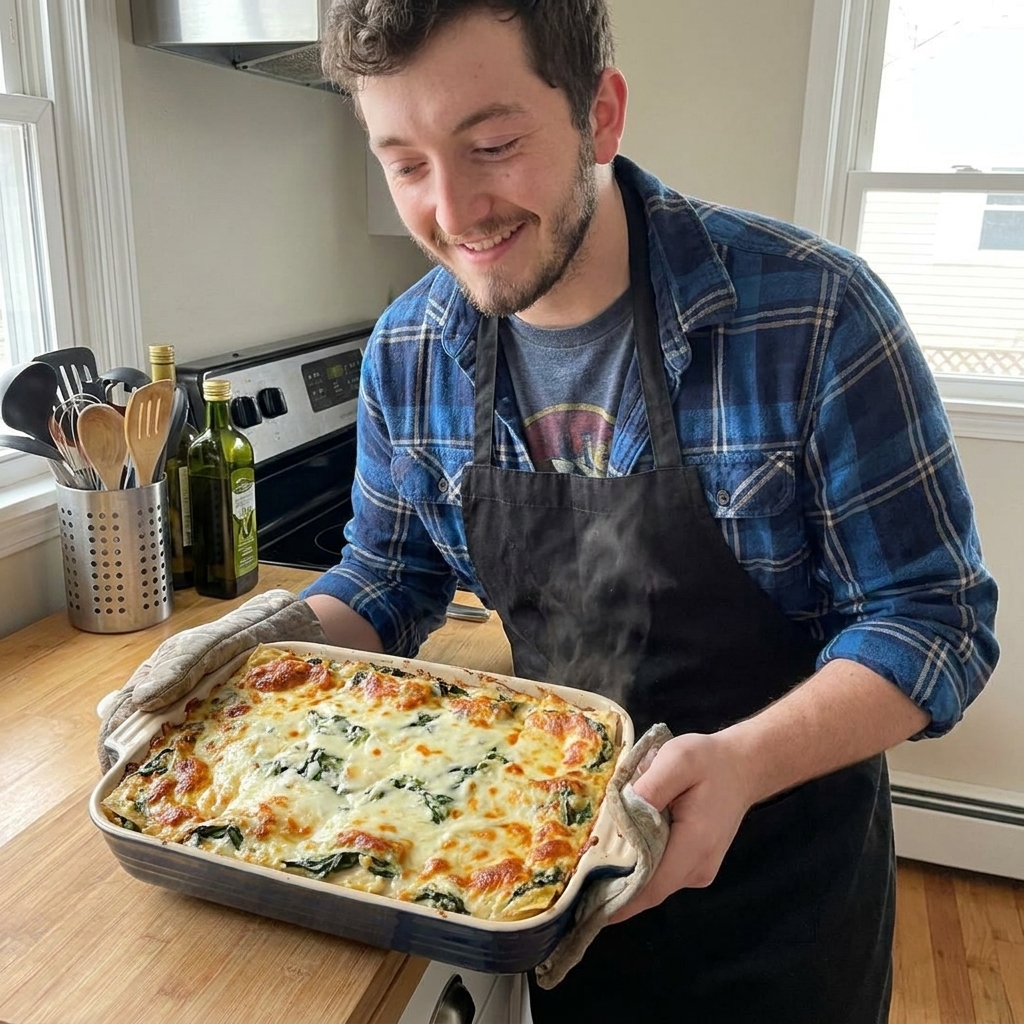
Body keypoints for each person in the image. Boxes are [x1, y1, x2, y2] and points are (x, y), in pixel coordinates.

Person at [101, 2, 997, 1021]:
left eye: (491, 145)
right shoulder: (410, 349)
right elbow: (392, 577)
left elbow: (934, 620)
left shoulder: (814, 316)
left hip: (783, 903)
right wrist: (260, 642)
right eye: (404, 163)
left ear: (601, 116)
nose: (453, 210)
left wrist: (741, 764)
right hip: (539, 870)